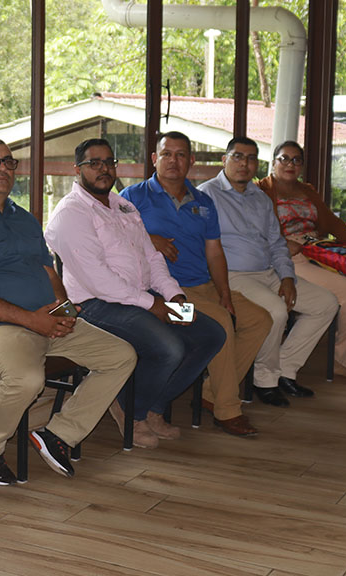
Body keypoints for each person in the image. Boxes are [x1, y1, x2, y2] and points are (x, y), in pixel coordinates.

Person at [0, 138, 135, 483]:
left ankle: (59, 435)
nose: (4, 169)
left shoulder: (23, 219)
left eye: (9, 162)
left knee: (122, 355)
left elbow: (48, 271)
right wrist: (31, 321)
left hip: (45, 321)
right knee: (27, 378)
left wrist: (63, 310)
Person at [46, 138, 226, 448]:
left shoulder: (122, 205)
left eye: (109, 162)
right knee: (169, 346)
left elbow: (153, 258)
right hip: (93, 305)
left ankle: (153, 408)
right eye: (94, 163)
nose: (104, 169)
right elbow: (98, 280)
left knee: (210, 333)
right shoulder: (71, 213)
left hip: (140, 297)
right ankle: (132, 410)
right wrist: (154, 306)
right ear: (78, 170)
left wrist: (175, 298)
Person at [122, 131, 272, 437]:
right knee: (221, 324)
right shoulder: (133, 197)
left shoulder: (203, 201)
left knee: (260, 319)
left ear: (191, 160)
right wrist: (148, 239)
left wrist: (225, 294)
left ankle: (210, 392)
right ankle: (227, 410)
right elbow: (112, 239)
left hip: (204, 287)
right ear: (154, 159)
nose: (173, 161)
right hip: (162, 298)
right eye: (166, 154)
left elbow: (214, 251)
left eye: (180, 155)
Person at [199, 137, 339, 406]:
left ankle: (285, 369)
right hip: (233, 276)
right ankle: (264, 380)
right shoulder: (207, 195)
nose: (244, 163)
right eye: (238, 156)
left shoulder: (260, 197)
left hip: (269, 272)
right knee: (276, 311)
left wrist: (287, 277)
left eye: (251, 158)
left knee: (325, 303)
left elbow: (276, 243)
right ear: (224, 160)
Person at [258, 141, 346, 380]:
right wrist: (283, 243)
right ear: (273, 162)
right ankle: (344, 360)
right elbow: (256, 229)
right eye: (284, 158)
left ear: (302, 166)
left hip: (317, 250)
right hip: (287, 256)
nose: (290, 164)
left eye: (296, 160)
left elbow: (331, 222)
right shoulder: (261, 191)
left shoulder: (308, 191)